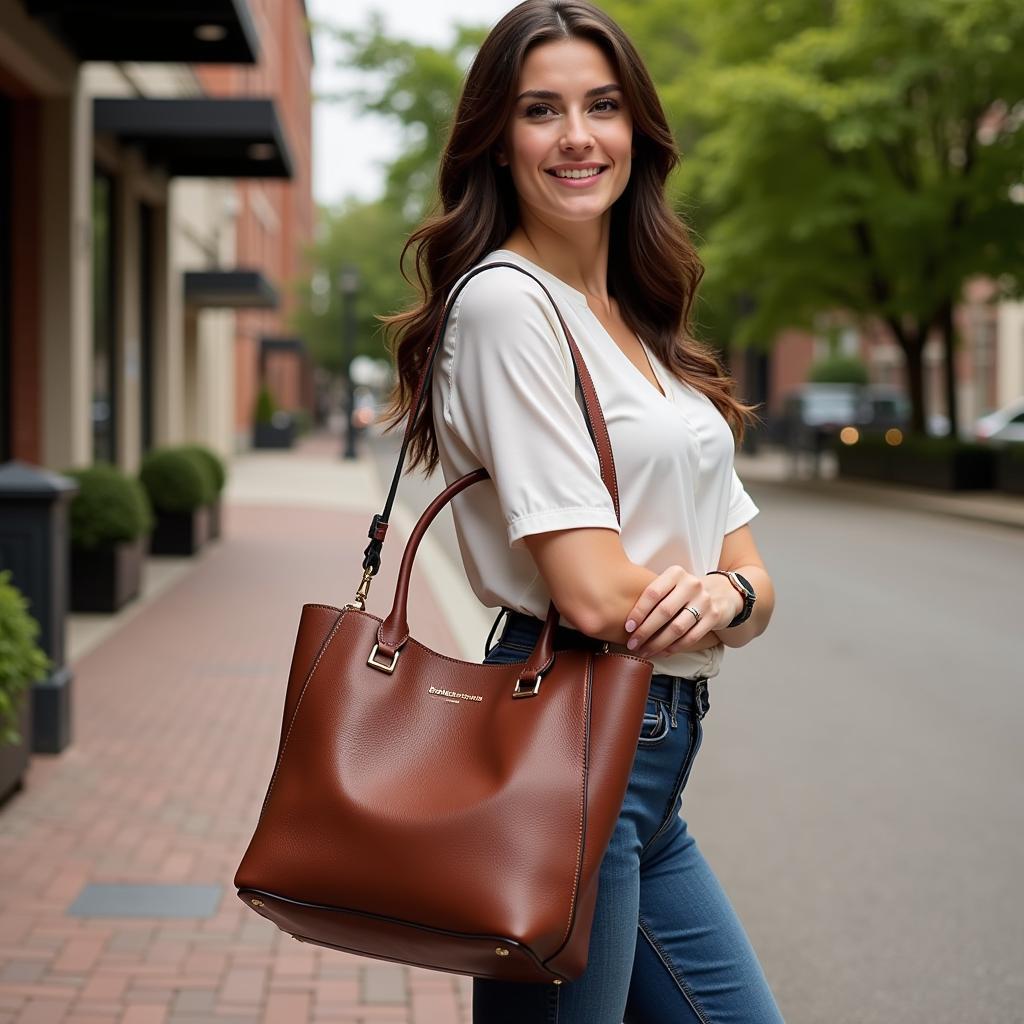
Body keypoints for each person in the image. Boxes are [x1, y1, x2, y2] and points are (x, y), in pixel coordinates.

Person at [380, 2, 784, 1021]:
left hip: (648, 772)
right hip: (568, 741)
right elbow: (594, 593)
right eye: (540, 110)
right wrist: (716, 593)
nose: (576, 137)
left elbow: (755, 578)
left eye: (601, 106)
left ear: (636, 133)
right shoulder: (507, 305)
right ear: (497, 141)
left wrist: (725, 591)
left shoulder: (646, 327)